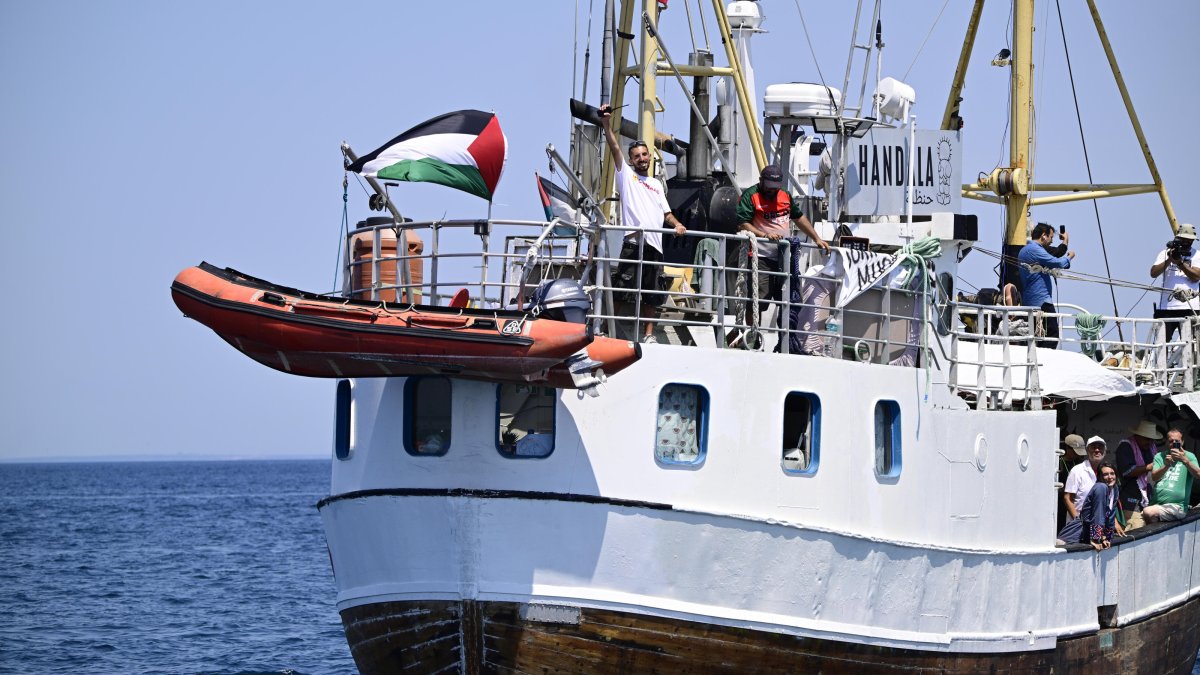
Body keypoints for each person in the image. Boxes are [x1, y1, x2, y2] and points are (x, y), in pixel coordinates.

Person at [598, 103, 687, 344]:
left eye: (645, 155)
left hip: (655, 247)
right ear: (631, 160)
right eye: (637, 156)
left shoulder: (657, 185)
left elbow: (667, 215)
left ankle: (648, 336)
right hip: (634, 241)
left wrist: (678, 225)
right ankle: (606, 329)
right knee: (621, 288)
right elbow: (614, 147)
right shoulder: (626, 175)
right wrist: (606, 123)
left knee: (651, 293)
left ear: (650, 156)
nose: (642, 159)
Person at [736, 165, 830, 328]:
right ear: (761, 181)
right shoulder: (751, 195)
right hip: (761, 258)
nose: (772, 190)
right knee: (758, 300)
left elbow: (798, 218)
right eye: (769, 186)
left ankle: (785, 340)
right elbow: (742, 224)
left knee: (788, 298)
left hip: (784, 258)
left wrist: (817, 238)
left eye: (776, 187)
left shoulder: (785, 196)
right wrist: (764, 235)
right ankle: (753, 336)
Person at [1018, 222, 1074, 349]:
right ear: (1044, 236)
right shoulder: (1035, 249)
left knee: (1038, 336)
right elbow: (1056, 262)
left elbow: (1051, 256)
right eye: (1050, 237)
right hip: (1042, 301)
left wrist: (1064, 243)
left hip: (1030, 301)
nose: (1051, 241)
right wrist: (1069, 257)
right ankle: (1045, 364)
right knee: (1052, 334)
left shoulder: (1025, 250)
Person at [1149, 222, 1199, 342]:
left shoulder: (1198, 255)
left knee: (1191, 345)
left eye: (1190, 240)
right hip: (1167, 308)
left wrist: (1180, 264)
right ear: (1178, 238)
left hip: (1190, 307)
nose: (1187, 243)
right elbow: (1153, 273)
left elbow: (1196, 276)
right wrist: (1169, 259)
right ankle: (1160, 361)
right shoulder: (1165, 253)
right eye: (1184, 239)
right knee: (1161, 343)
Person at [1057, 461, 1125, 550]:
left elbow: (1111, 516)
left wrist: (1108, 538)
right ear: (1100, 477)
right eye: (1105, 474)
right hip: (1074, 535)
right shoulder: (1101, 487)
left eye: (1112, 473)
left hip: (1088, 534)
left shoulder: (1114, 489)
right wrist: (1096, 538)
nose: (1110, 477)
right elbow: (1098, 513)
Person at [1143, 428, 1200, 523]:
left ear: (1182, 442)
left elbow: (1198, 475)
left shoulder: (1189, 456)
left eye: (1176, 441)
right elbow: (1154, 477)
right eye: (1170, 441)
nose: (1173, 443)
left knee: (1148, 512)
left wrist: (1185, 461)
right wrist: (1166, 465)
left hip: (1177, 506)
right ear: (1166, 442)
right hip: (1156, 504)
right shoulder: (1159, 456)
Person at [1115, 421, 1161, 530]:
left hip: (1148, 499)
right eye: (1146, 439)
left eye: (1151, 439)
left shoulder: (1151, 447)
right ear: (1138, 436)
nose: (1149, 442)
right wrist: (1148, 467)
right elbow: (1126, 471)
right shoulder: (1125, 446)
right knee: (1135, 529)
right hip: (1130, 499)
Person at [1062, 435, 1106, 523]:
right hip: (1079, 525)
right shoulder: (1077, 470)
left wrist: (1114, 522)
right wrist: (1078, 522)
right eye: (1093, 447)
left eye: (1100, 447)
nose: (1097, 450)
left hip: (1098, 525)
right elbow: (1067, 498)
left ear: (1104, 451)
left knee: (1097, 537)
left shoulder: (1106, 472)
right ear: (1087, 450)